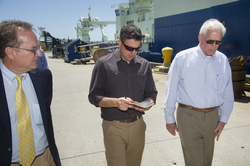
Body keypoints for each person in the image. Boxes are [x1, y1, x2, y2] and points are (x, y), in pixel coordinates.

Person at [164, 18, 234, 166]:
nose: (214, 46)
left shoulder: (222, 61)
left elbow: (228, 92)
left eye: (218, 42)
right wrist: (169, 117)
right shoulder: (182, 59)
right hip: (188, 116)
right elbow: (171, 90)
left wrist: (224, 118)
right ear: (200, 37)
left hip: (212, 117)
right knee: (194, 162)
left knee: (207, 160)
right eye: (210, 41)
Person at [88, 24, 157, 166]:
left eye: (137, 49)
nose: (133, 53)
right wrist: (116, 102)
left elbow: (151, 93)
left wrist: (148, 102)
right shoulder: (103, 64)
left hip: (138, 126)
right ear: (119, 42)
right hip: (113, 127)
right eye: (129, 48)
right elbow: (94, 96)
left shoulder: (144, 65)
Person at [0, 20, 61, 166]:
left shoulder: (44, 77)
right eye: (33, 49)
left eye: (39, 48)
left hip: (45, 158)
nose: (39, 54)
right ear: (11, 52)